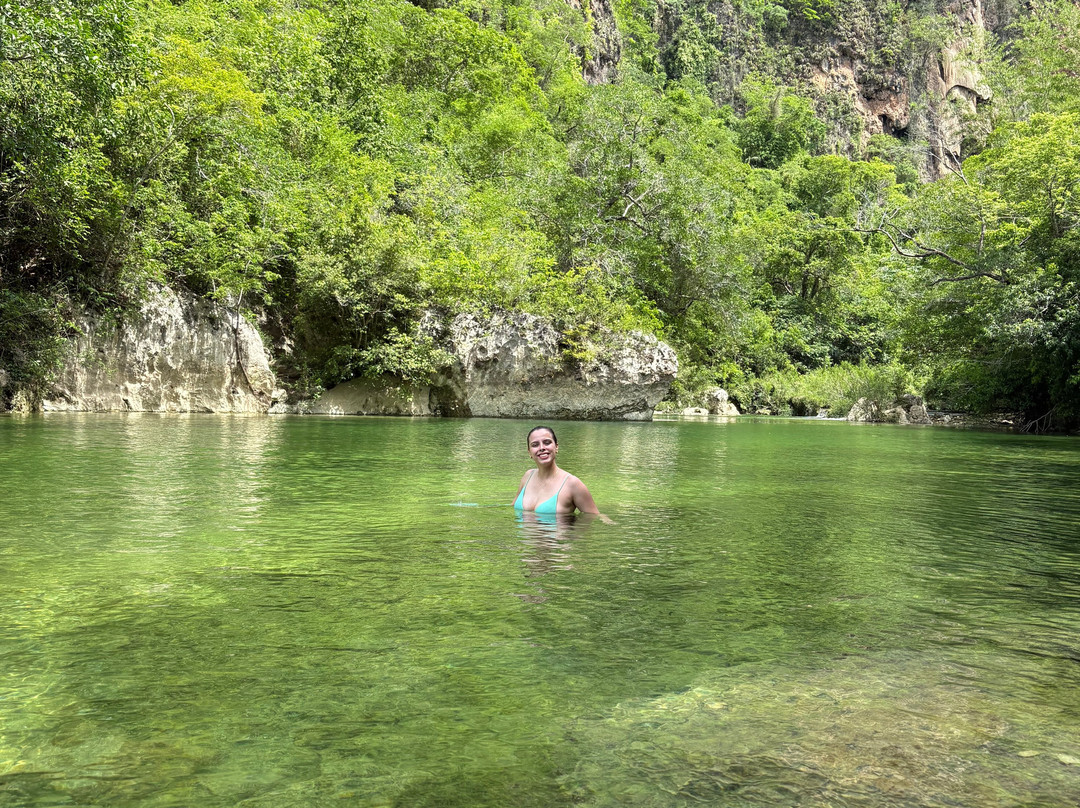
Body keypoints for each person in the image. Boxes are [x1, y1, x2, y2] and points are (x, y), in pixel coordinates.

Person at [512, 426, 600, 515]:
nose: (541, 448)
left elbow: (594, 516)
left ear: (556, 447)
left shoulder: (572, 484)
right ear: (529, 452)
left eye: (547, 443)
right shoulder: (527, 476)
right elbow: (512, 507)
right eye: (535, 445)